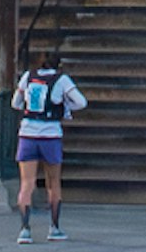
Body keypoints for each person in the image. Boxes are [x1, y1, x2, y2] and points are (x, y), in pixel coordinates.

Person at [11, 55, 88, 241]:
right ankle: (54, 227)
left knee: (26, 183)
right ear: (58, 65)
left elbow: (15, 103)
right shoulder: (61, 80)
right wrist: (64, 106)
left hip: (28, 133)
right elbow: (81, 102)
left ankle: (24, 229)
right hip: (51, 134)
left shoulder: (28, 76)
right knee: (53, 183)